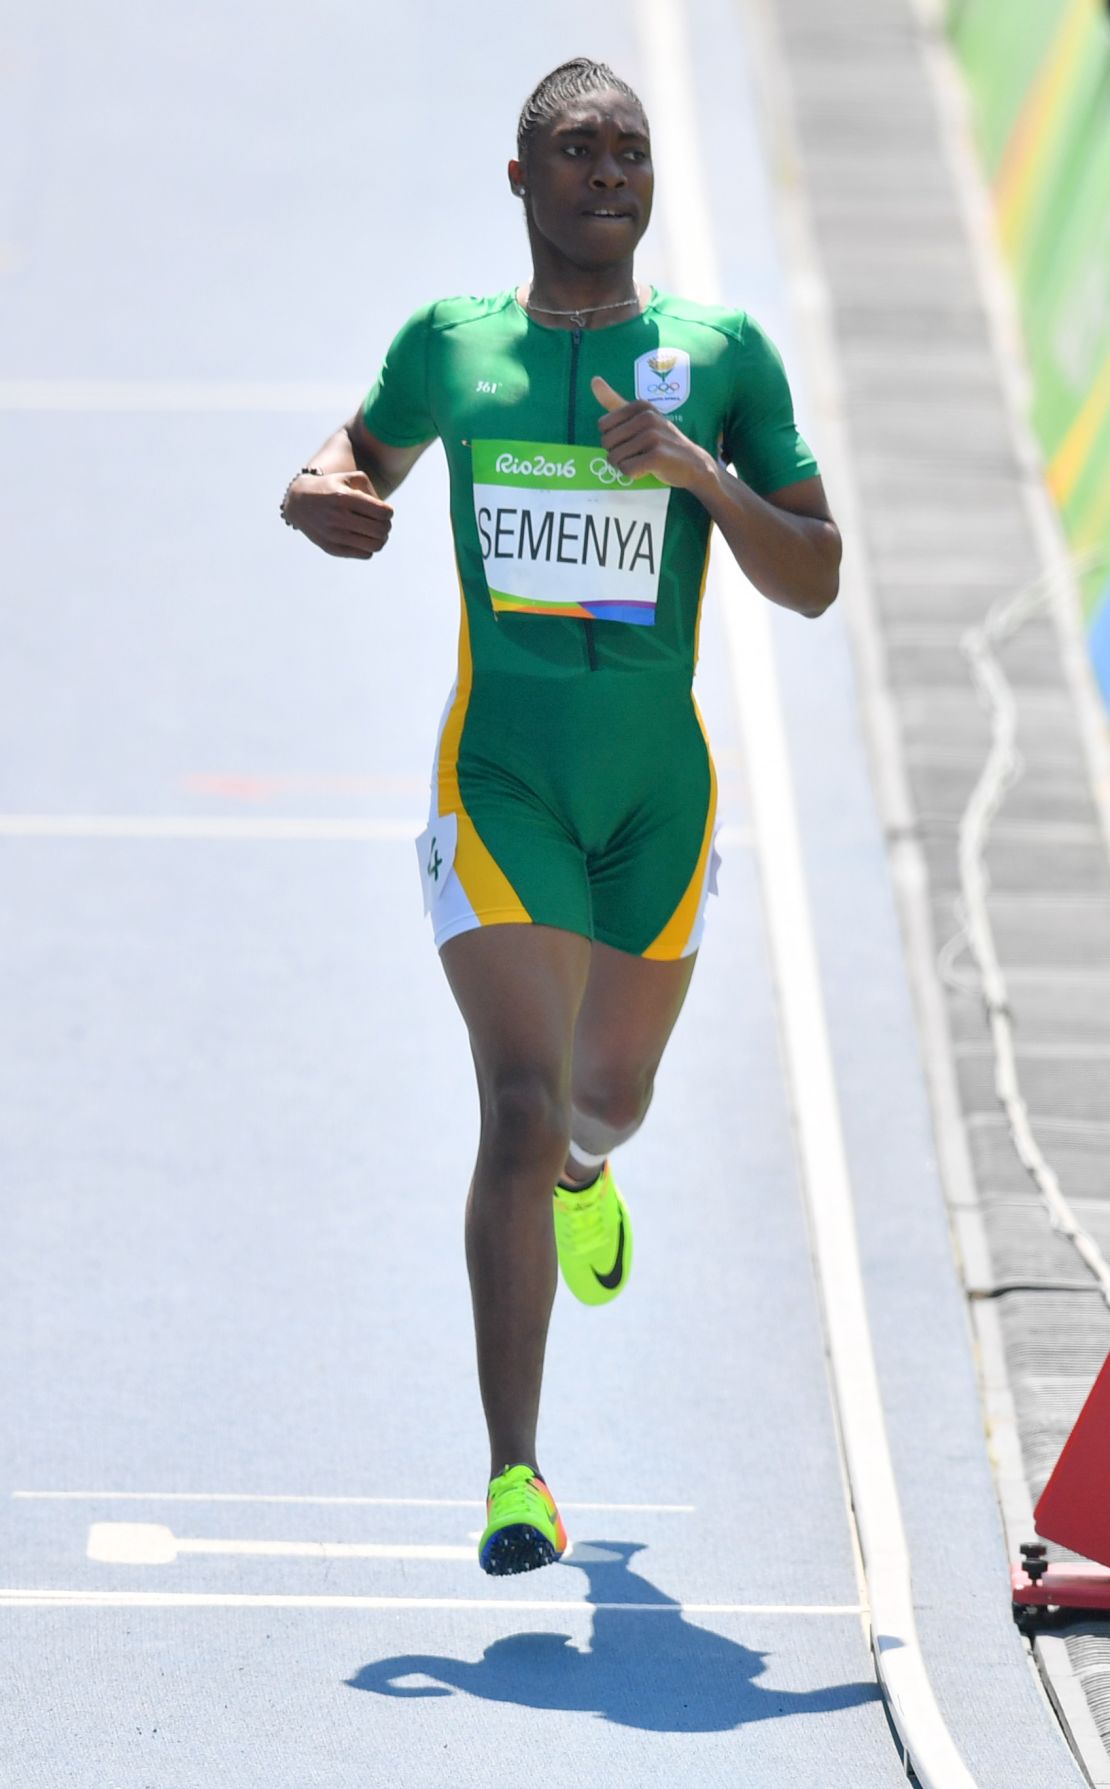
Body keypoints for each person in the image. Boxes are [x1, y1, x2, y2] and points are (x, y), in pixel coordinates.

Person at [280, 57, 841, 1575]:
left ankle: (596, 1176)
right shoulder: (451, 347)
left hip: (656, 795)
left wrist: (699, 478)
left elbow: (814, 573)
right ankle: (514, 1473)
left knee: (603, 1106)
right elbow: (350, 458)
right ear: (520, 182)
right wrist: (320, 494)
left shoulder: (717, 356)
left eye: (633, 154)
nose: (610, 175)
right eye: (580, 153)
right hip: (503, 777)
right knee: (518, 1105)